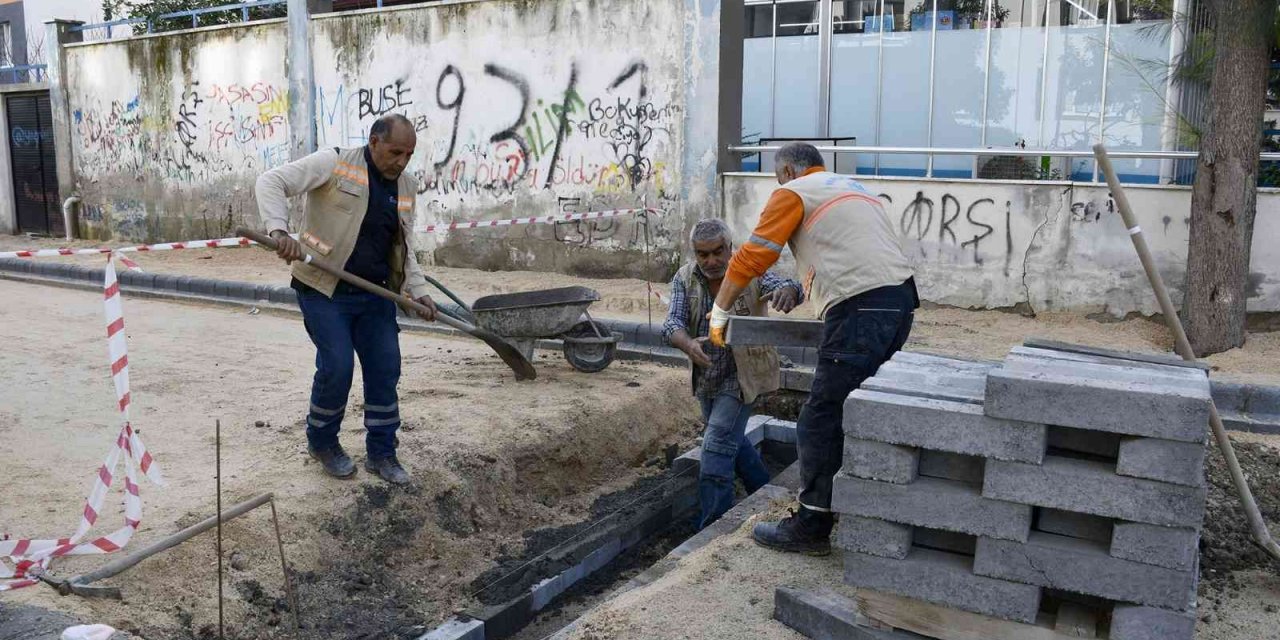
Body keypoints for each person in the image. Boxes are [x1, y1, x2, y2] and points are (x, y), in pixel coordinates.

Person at [708, 142, 918, 554]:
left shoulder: (794, 191)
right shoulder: (853, 189)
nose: (778, 185)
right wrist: (802, 291)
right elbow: (845, 255)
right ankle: (856, 508)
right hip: (899, 303)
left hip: (861, 308)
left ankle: (811, 527)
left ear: (788, 171)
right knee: (857, 410)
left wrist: (719, 312)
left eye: (777, 177)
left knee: (820, 418)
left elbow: (754, 257)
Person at [255, 113, 437, 485]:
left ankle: (382, 453)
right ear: (374, 142)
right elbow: (270, 181)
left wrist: (418, 290)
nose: (401, 161)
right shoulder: (334, 163)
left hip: (375, 292)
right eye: (395, 152)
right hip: (324, 288)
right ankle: (322, 442)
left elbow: (404, 247)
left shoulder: (406, 186)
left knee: (385, 367)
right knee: (337, 365)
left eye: (409, 154)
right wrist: (279, 230)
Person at [663, 218, 804, 530]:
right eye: (703, 254)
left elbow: (785, 285)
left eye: (718, 252)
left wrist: (789, 292)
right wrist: (688, 344)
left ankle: (713, 529)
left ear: (730, 248)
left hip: (742, 376)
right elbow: (672, 324)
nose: (711, 261)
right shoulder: (684, 278)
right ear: (695, 254)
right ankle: (765, 493)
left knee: (715, 448)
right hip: (706, 375)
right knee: (732, 440)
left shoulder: (750, 270)